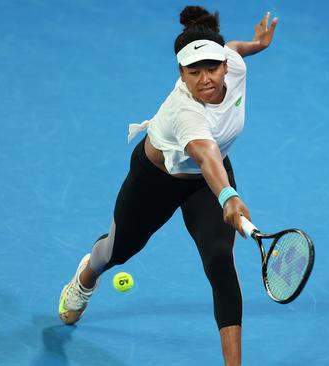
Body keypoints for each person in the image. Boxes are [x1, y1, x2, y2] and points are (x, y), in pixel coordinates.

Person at [58, 6, 278, 365]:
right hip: (156, 181)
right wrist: (229, 196)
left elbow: (235, 47)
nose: (206, 79)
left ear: (224, 64)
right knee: (117, 250)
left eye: (212, 67)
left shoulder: (234, 65)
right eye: (194, 72)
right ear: (181, 73)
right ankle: (85, 277)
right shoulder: (184, 112)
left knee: (220, 262)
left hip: (208, 183)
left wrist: (257, 44)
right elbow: (206, 155)